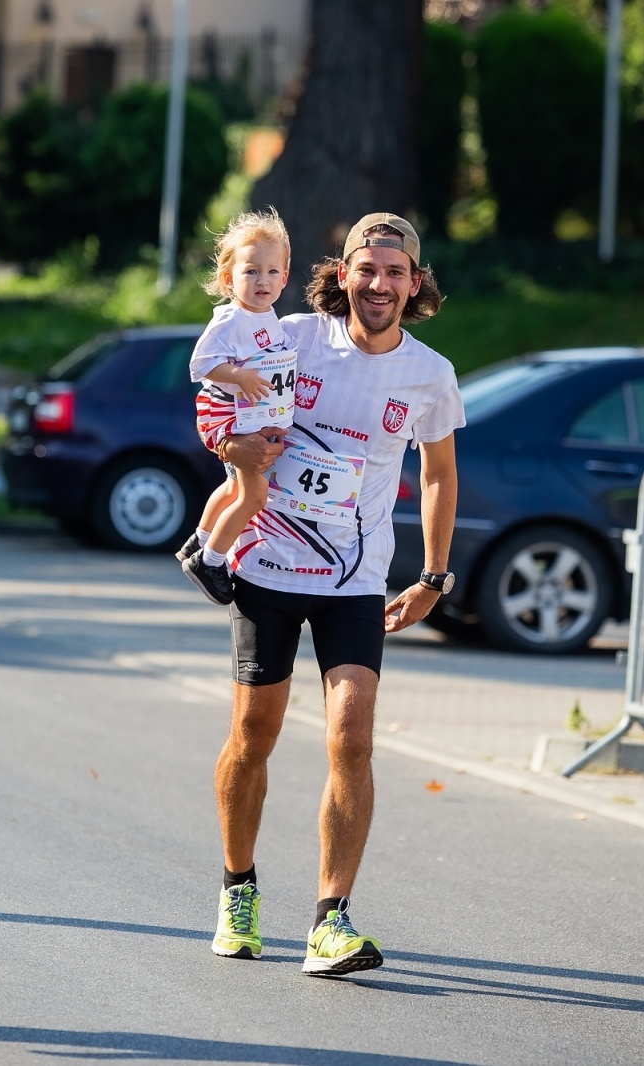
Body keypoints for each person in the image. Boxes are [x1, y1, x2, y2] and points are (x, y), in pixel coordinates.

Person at [202, 213, 462, 976]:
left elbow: (440, 473)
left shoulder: (429, 375)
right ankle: (238, 890)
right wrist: (226, 445)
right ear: (341, 274)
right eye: (366, 269)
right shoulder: (287, 337)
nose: (379, 284)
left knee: (351, 736)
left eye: (395, 272)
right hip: (267, 568)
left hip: (355, 579)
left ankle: (330, 920)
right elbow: (220, 401)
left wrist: (433, 575)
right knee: (254, 736)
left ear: (415, 284)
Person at [177, 209, 296, 606]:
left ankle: (203, 537)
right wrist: (239, 376)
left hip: (252, 415)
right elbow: (200, 364)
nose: (262, 280)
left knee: (232, 487)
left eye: (271, 271)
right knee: (254, 496)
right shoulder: (230, 319)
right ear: (229, 278)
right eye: (251, 271)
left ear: (284, 276)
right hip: (231, 416)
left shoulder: (271, 317)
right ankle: (210, 562)